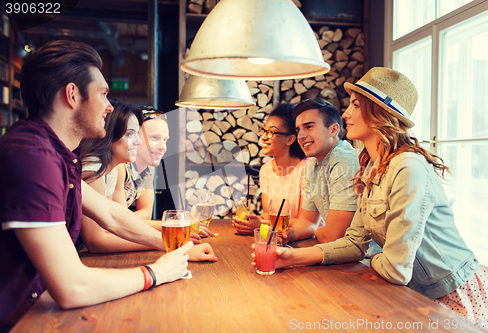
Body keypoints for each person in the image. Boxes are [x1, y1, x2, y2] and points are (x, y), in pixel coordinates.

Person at [256, 68, 488, 326]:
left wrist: (370, 257)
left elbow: (395, 269)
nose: (346, 113)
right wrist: (291, 257)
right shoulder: (372, 168)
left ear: (378, 113)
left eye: (355, 105)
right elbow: (354, 242)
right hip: (417, 294)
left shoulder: (408, 168)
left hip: (455, 296)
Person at [0, 40, 214, 331]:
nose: (109, 106)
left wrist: (174, 246)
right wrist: (155, 272)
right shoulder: (32, 157)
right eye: (102, 94)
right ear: (72, 95)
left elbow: (111, 215)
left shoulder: (54, 154)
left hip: (31, 308)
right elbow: (72, 286)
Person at [112, 107, 214, 237]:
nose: (162, 147)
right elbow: (121, 221)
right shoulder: (119, 166)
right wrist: (175, 225)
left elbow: (146, 212)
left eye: (165, 140)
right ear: (134, 136)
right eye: (154, 138)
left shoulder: (149, 168)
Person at [232, 103, 316, 239]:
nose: (264, 137)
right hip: (276, 239)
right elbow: (267, 214)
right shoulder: (266, 170)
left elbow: (304, 221)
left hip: (305, 241)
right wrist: (251, 220)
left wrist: (261, 224)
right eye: (263, 130)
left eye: (271, 132)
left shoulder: (307, 170)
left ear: (290, 139)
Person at [282, 98, 358, 244]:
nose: (301, 136)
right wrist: (288, 235)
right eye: (298, 130)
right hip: (338, 254)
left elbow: (334, 237)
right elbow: (308, 221)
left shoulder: (345, 161)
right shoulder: (312, 165)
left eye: (309, 127)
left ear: (333, 130)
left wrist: (319, 232)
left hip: (366, 260)